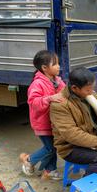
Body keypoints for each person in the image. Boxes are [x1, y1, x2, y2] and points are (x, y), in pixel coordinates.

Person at [50, 67, 97, 179]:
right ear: (74, 88)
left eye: (92, 88)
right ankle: (85, 185)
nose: (91, 92)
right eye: (87, 90)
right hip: (70, 147)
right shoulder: (60, 105)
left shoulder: (92, 95)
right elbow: (71, 134)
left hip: (93, 134)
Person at [19, 50, 66, 180]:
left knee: (53, 146)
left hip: (53, 122)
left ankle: (50, 170)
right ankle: (29, 160)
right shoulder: (37, 84)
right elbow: (33, 102)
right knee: (50, 148)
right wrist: (50, 98)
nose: (58, 66)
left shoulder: (57, 80)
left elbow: (64, 92)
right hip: (42, 123)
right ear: (45, 68)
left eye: (58, 63)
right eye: (55, 64)